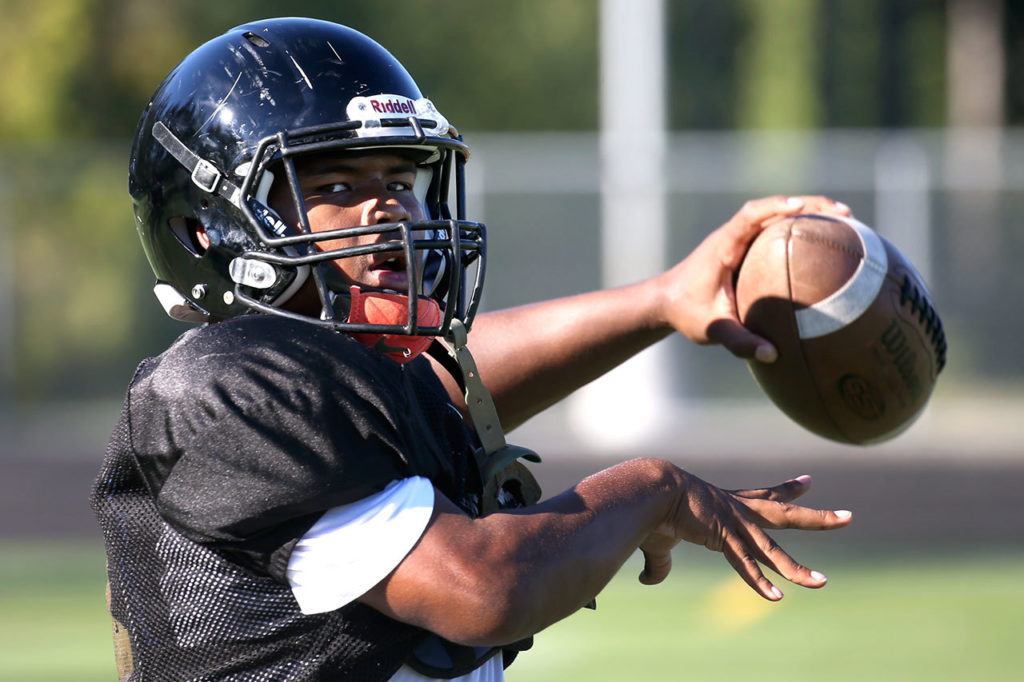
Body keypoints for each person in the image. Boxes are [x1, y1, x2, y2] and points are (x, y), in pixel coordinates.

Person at [92, 17, 853, 682]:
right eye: (338, 183)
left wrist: (662, 299)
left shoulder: (336, 376)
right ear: (208, 229)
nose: (387, 206)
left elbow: (449, 384)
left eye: (399, 176)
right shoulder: (222, 387)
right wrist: (652, 489)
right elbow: (482, 591)